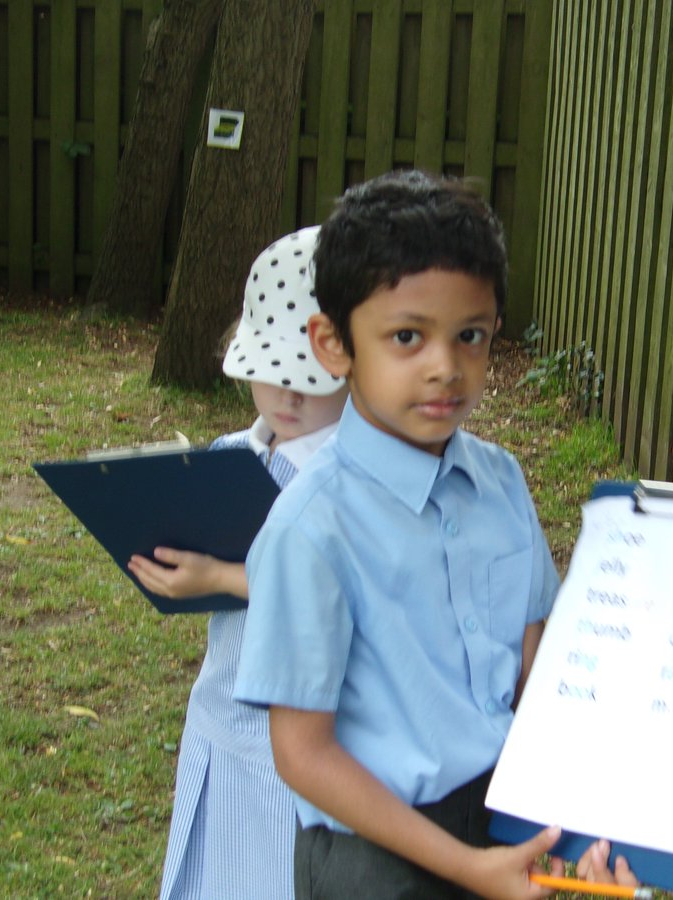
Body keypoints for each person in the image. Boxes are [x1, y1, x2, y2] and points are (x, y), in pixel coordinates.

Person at [233, 170, 638, 898]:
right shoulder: (310, 529)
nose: (445, 368)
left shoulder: (501, 481)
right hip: (377, 859)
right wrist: (466, 868)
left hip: (506, 819)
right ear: (333, 343)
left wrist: (578, 829)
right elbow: (303, 755)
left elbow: (536, 663)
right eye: (407, 337)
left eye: (470, 336)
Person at [127, 226, 348, 900]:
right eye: (273, 375)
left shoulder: (354, 477)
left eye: (310, 380)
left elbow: (341, 588)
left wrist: (221, 578)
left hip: (310, 738)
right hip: (222, 715)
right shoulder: (231, 456)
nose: (288, 398)